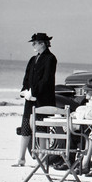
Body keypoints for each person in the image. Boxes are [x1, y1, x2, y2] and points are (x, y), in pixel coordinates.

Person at [13, 33, 57, 167]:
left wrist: (35, 92)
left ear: (42, 43)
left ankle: (43, 160)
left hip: (43, 99)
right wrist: (25, 91)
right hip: (30, 98)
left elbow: (47, 79)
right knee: (26, 128)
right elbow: (27, 77)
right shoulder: (33, 59)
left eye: (35, 42)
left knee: (42, 129)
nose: (33, 45)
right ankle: (20, 158)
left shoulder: (51, 58)